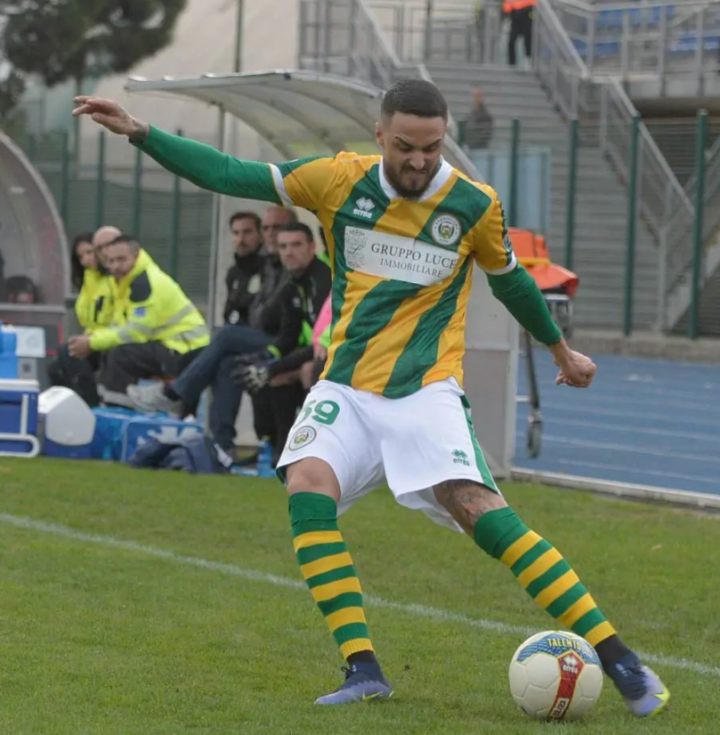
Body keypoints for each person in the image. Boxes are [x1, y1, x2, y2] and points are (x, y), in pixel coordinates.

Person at [73, 80, 669, 716]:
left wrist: (560, 350)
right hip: (347, 387)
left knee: (479, 510)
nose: (419, 161)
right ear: (380, 134)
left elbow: (511, 281)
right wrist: (141, 132)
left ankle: (619, 657)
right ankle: (363, 668)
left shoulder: (473, 204)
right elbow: (228, 172)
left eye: (432, 148)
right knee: (306, 485)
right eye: (406, 146)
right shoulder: (336, 180)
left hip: (424, 391)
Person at [126, 205, 297, 451]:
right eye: (267, 228)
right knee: (225, 363)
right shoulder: (261, 267)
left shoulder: (284, 266)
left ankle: (174, 395)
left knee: (226, 337)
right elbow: (242, 311)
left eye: (276, 228)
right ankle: (221, 446)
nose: (271, 234)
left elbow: (274, 315)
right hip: (259, 337)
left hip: (286, 343)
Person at [68, 234, 209, 405]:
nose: (116, 266)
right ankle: (94, 404)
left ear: (136, 257)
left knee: (120, 356)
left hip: (186, 349)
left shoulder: (144, 283)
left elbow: (136, 333)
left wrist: (92, 342)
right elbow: (119, 325)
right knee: (88, 353)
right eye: (111, 261)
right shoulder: (125, 281)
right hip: (169, 344)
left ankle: (116, 409)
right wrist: (91, 339)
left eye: (122, 259)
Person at [232, 222, 331, 463]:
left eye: (296, 245)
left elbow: (324, 343)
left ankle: (316, 451)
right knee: (266, 375)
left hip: (335, 354)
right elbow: (288, 336)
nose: (289, 252)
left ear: (311, 247)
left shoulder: (325, 279)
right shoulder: (291, 286)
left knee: (306, 370)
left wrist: (272, 367)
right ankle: (280, 450)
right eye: (283, 246)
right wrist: (266, 357)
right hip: (313, 352)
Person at [49, 231, 116, 406]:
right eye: (80, 256)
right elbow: (90, 319)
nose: (85, 260)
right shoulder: (89, 280)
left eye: (89, 252)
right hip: (96, 336)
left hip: (112, 338)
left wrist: (90, 339)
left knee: (69, 353)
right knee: (56, 367)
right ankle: (68, 406)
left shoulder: (113, 279)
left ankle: (89, 403)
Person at [224, 211, 265, 326]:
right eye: (236, 233)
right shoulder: (233, 273)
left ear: (261, 236)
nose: (241, 239)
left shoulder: (268, 270)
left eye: (247, 232)